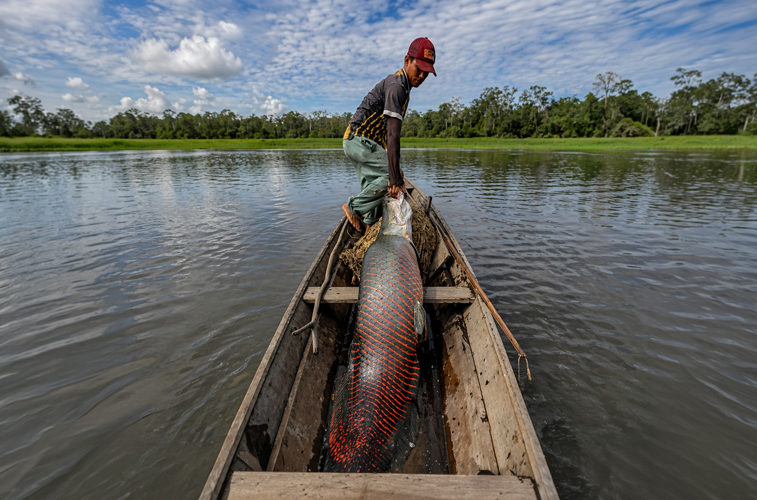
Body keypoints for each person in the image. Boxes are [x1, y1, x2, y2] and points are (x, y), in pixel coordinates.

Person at [341, 37, 436, 232]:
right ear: (406, 61)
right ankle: (353, 208)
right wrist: (395, 178)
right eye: (419, 69)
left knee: (382, 182)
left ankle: (369, 225)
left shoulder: (403, 87)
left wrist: (395, 174)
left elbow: (385, 134)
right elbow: (393, 135)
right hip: (359, 141)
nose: (422, 76)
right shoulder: (397, 86)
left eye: (426, 73)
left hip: (364, 143)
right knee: (389, 175)